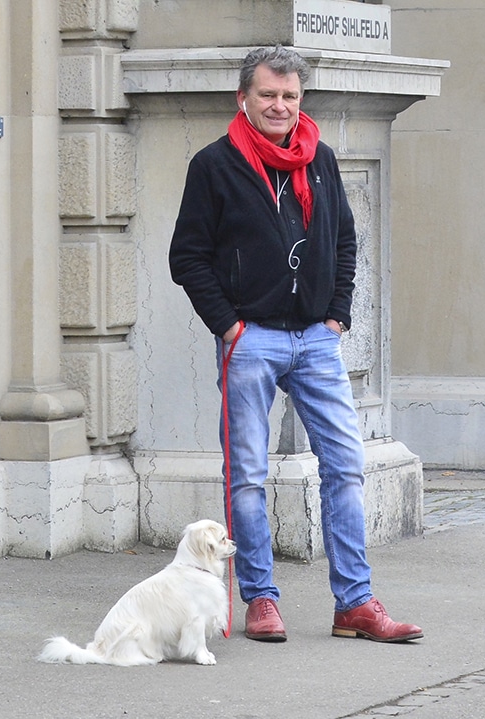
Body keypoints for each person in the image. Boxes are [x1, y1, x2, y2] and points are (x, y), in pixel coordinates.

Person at [168, 46, 422, 644]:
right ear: (244, 99)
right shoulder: (215, 165)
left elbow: (344, 243)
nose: (280, 106)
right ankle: (261, 600)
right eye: (268, 96)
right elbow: (188, 257)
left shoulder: (321, 161)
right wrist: (229, 325)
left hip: (314, 339)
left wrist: (336, 315)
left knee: (344, 465)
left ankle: (355, 604)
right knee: (249, 478)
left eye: (290, 97)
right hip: (250, 338)